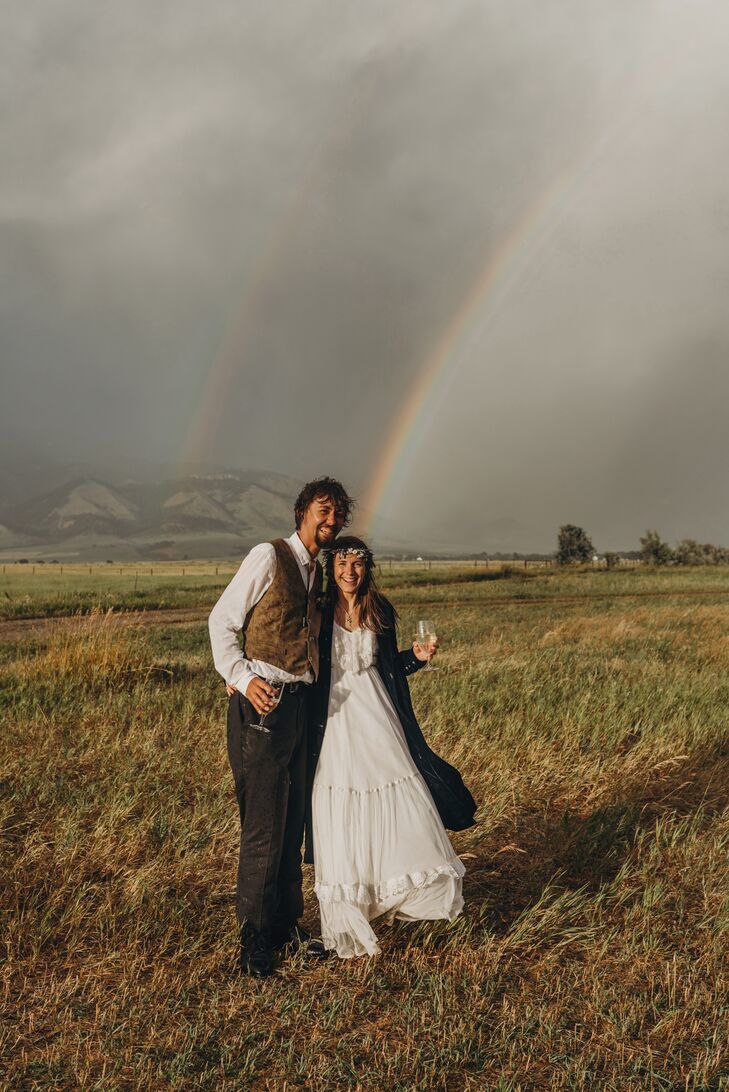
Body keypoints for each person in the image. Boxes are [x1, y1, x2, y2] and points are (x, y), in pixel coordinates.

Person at [208, 476, 354, 977]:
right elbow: (222, 621)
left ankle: (285, 923)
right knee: (265, 823)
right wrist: (242, 678)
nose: (331, 521)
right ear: (302, 512)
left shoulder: (321, 573)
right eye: (324, 510)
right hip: (264, 704)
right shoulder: (268, 557)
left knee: (294, 818)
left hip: (299, 706)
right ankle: (253, 935)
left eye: (338, 515)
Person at [307, 536, 476, 959]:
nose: (350, 571)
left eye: (357, 565)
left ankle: (403, 892)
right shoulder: (318, 611)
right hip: (334, 726)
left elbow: (390, 669)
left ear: (368, 569)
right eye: (343, 563)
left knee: (402, 799)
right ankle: (350, 911)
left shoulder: (379, 611)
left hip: (381, 722)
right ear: (332, 568)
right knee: (342, 809)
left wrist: (416, 657)